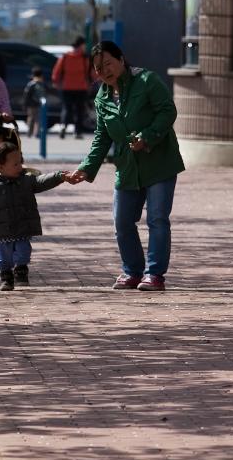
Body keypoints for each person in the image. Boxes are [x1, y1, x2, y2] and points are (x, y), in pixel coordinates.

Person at [69, 41, 184, 292]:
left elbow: (167, 111)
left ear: (121, 59)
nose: (104, 71)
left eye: (108, 64)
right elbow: (102, 136)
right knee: (122, 222)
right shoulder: (102, 96)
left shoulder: (147, 81)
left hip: (159, 162)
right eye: (98, 68)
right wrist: (86, 168)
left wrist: (148, 136)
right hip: (127, 166)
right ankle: (132, 271)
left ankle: (154, 274)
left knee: (157, 219)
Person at [0, 141, 77, 290]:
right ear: (1, 167)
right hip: (2, 229)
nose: (20, 167)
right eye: (15, 165)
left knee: (23, 251)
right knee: (4, 255)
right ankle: (6, 277)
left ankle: (21, 271)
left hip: (23, 226)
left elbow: (41, 181)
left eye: (20, 163)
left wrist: (59, 176)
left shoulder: (25, 181)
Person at [52, 36, 91, 138]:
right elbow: (91, 72)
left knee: (66, 108)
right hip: (81, 88)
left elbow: (57, 71)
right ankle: (77, 132)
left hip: (67, 87)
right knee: (79, 110)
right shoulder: (84, 58)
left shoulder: (65, 57)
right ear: (81, 45)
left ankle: (63, 126)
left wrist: (56, 82)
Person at [22, 68, 48, 137]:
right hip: (40, 104)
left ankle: (29, 133)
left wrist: (25, 104)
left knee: (31, 118)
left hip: (31, 105)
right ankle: (37, 133)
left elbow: (26, 95)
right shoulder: (42, 84)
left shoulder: (31, 84)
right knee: (38, 119)